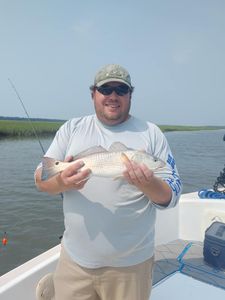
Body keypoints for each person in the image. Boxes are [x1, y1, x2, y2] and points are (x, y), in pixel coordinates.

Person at [35, 64, 182, 300]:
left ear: (130, 95)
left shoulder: (152, 133)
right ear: (93, 93)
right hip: (75, 261)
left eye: (121, 90)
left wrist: (147, 183)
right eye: (106, 89)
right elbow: (42, 179)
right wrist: (63, 181)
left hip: (131, 267)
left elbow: (172, 194)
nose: (113, 96)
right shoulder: (72, 128)